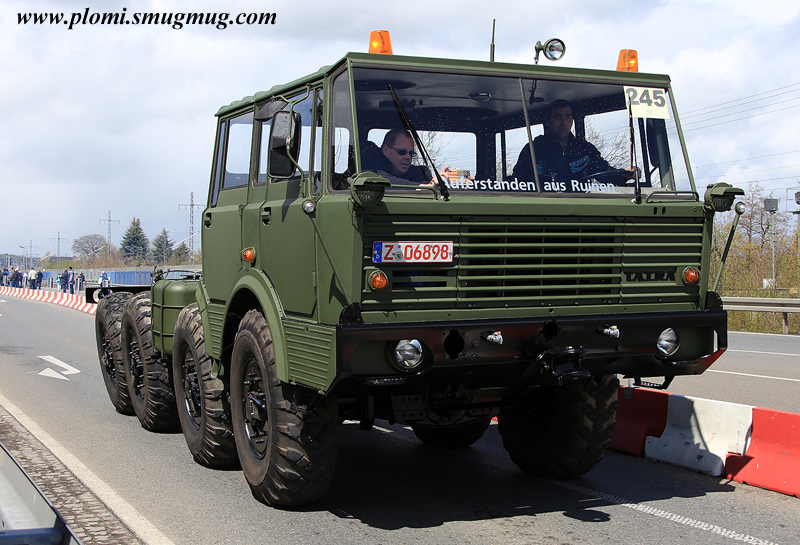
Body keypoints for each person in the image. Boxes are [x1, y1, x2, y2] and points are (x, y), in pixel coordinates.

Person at [512, 99, 639, 191]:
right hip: (543, 209)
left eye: (567, 117)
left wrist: (626, 174)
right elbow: (519, 183)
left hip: (579, 207)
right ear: (548, 121)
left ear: (572, 120)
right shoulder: (534, 149)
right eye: (557, 117)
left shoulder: (584, 149)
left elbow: (604, 173)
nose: (563, 123)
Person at [367, 128, 432, 185]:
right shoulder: (369, 167)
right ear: (386, 150)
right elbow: (378, 181)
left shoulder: (419, 174)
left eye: (411, 154)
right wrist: (423, 187)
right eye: (402, 152)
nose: (408, 157)